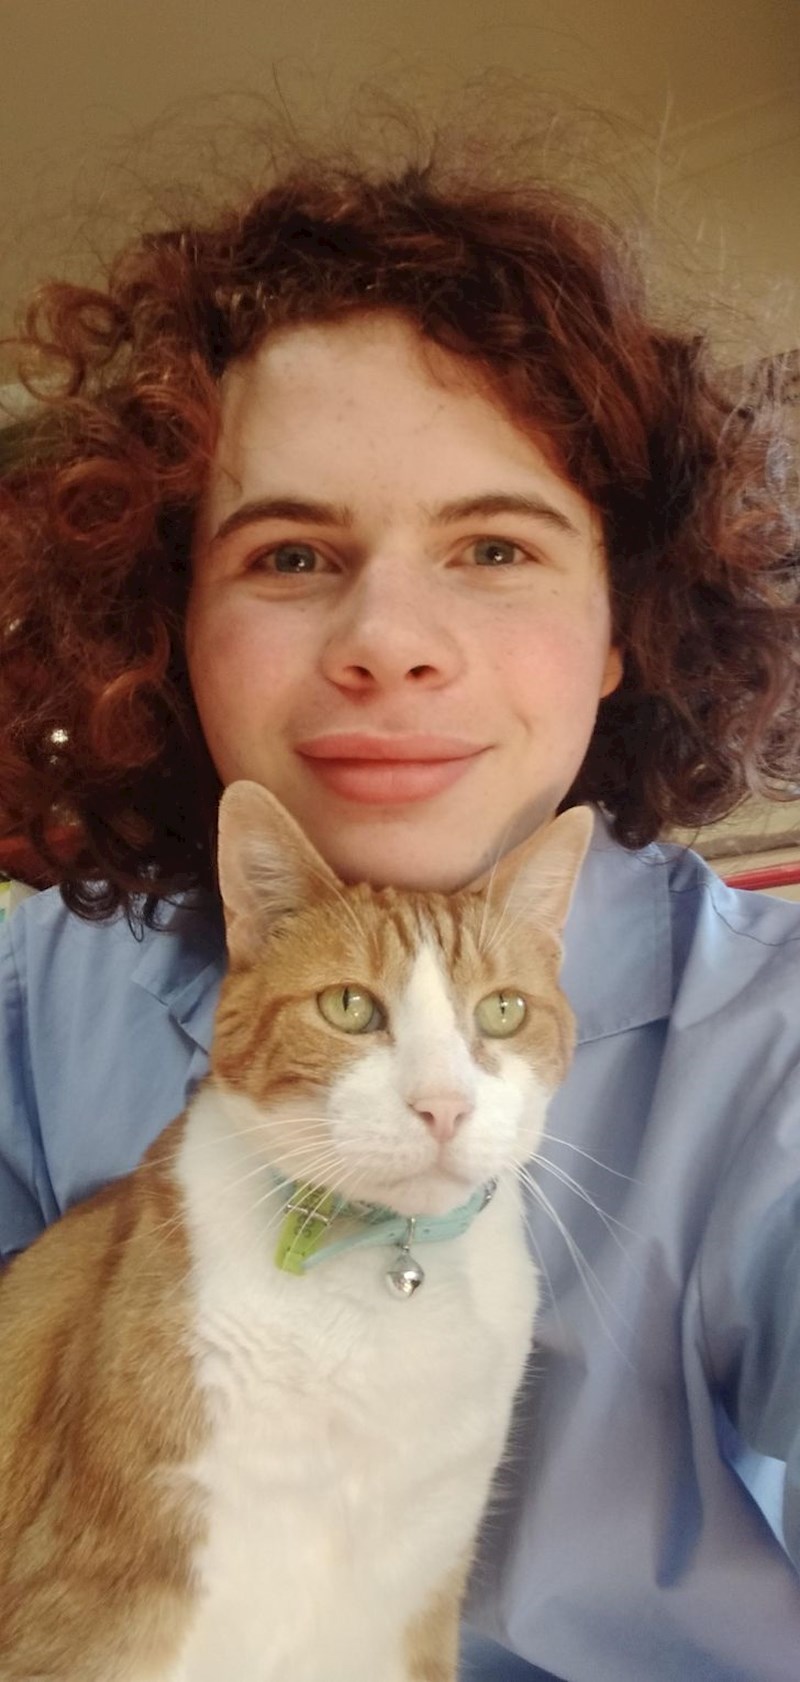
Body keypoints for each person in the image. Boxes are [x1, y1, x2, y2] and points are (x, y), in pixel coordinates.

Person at [1, 135, 799, 1682]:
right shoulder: (47, 996)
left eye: (493, 547)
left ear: (622, 622)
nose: (388, 639)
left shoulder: (771, 1049)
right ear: (176, 619)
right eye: (292, 553)